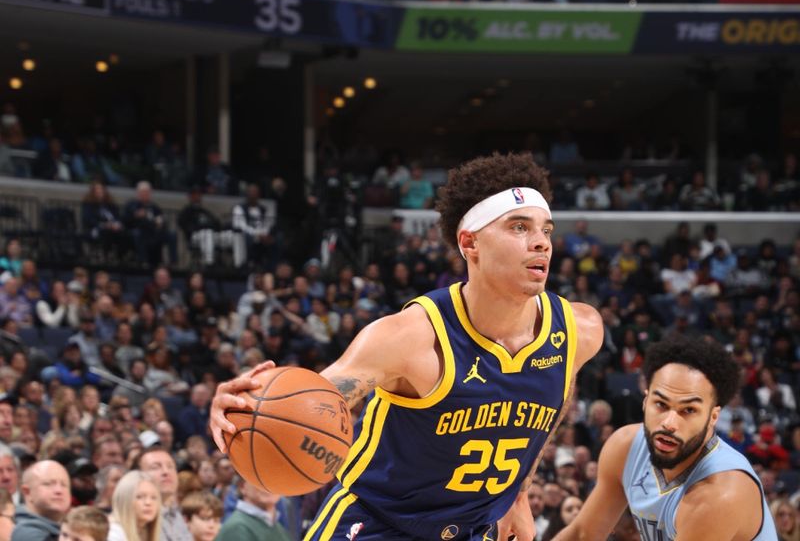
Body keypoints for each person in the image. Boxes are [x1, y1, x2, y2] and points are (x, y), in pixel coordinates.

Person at [211, 152, 603, 540]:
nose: (541, 243)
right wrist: (241, 408)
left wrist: (518, 496)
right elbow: (313, 401)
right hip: (377, 525)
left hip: (473, 530)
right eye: (519, 227)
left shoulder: (579, 331)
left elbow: (554, 400)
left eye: (546, 230)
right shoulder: (411, 337)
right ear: (470, 243)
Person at [552, 335, 778, 540]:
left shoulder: (720, 494)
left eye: (688, 410)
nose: (669, 423)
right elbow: (582, 534)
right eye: (661, 404)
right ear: (645, 400)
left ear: (713, 417)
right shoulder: (625, 446)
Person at [133, 448, 192, 541]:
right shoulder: (136, 518)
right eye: (155, 467)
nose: (166, 472)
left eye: (170, 466)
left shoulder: (177, 513)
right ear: (138, 476)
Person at [12, 460, 71, 541]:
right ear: (27, 492)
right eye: (48, 484)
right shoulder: (27, 533)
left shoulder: (71, 528)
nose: (59, 490)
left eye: (64, 485)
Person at [216, 480, 290, 541]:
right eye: (260, 480)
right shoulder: (237, 528)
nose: (267, 487)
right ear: (242, 487)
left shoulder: (276, 525)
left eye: (274, 481)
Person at [108, 471, 161, 541]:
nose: (148, 503)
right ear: (124, 500)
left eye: (153, 497)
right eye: (139, 497)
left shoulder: (145, 531)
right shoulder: (113, 533)